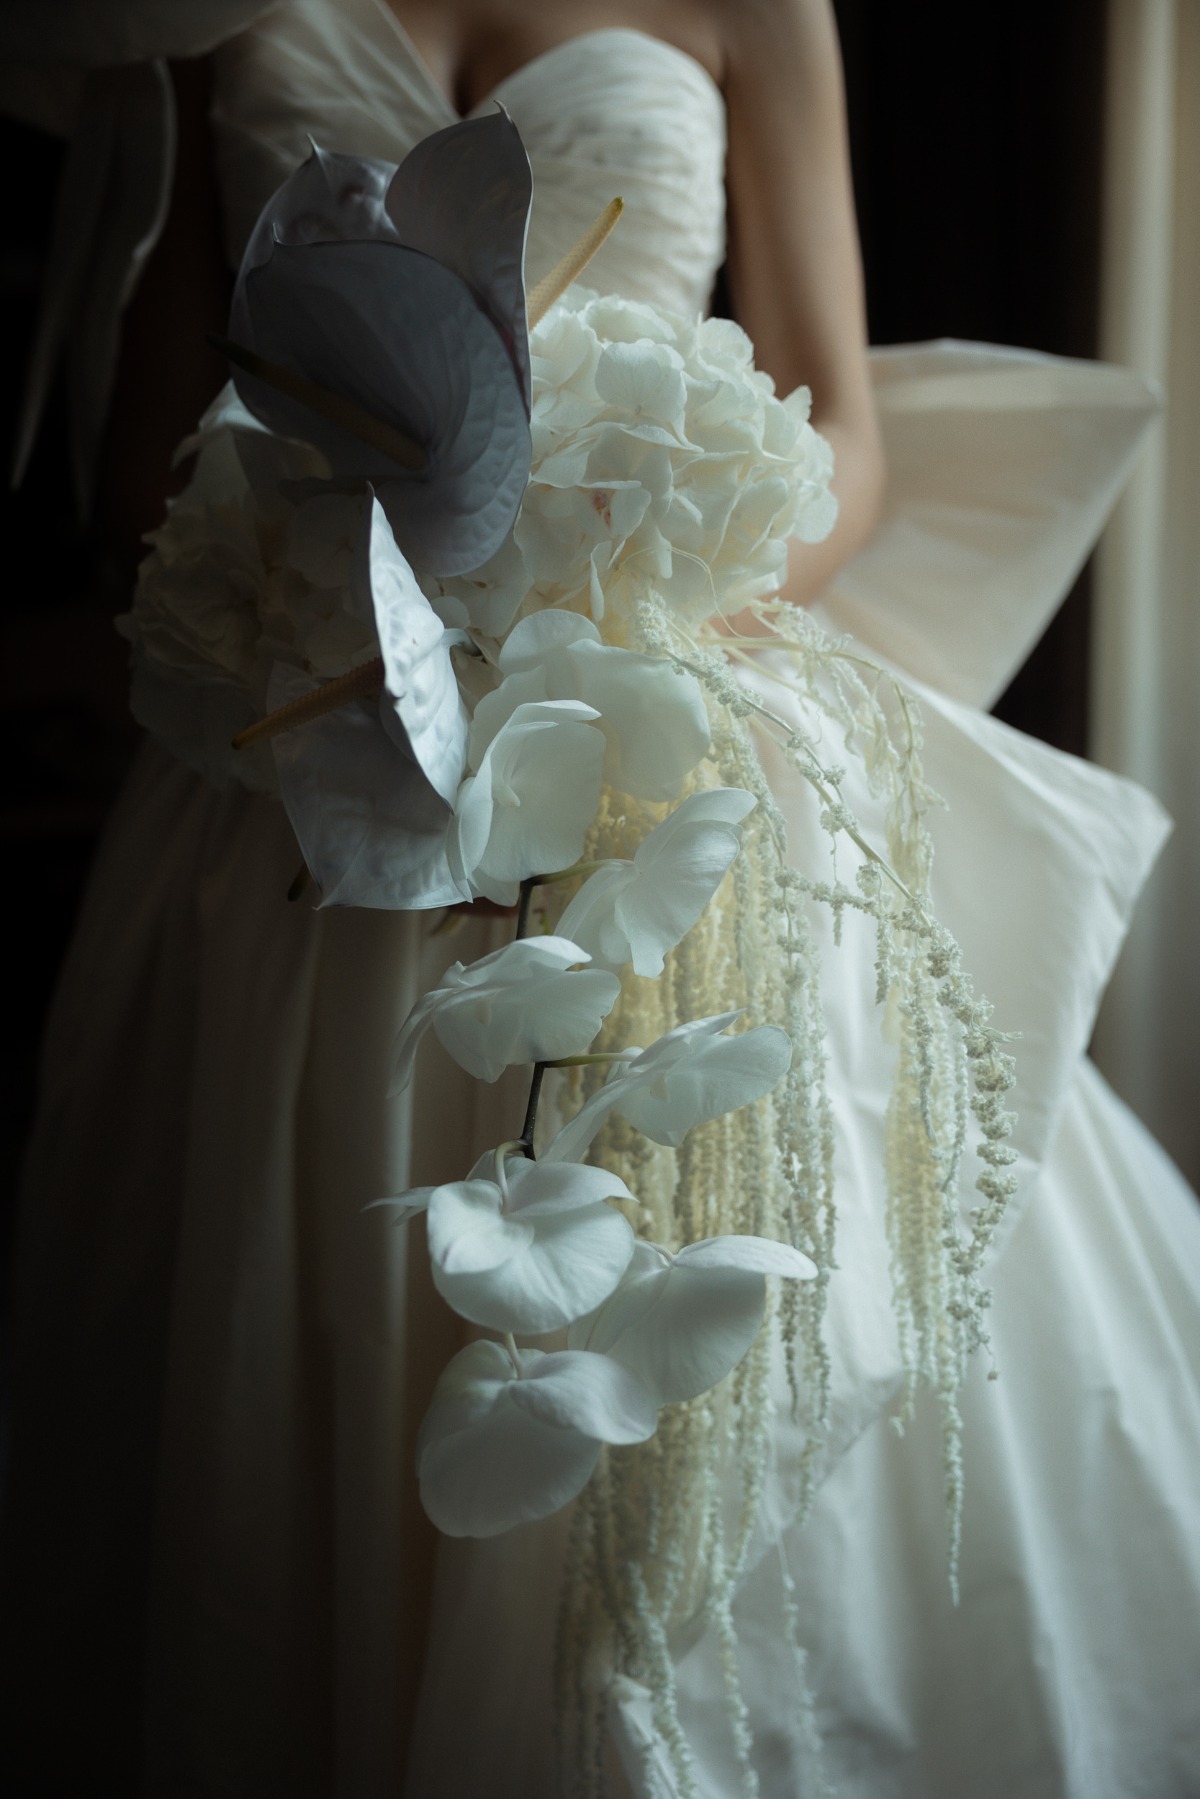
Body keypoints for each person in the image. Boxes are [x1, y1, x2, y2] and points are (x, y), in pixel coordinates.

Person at [1, 2, 1198, 1794]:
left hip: (659, 679)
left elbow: (843, 434)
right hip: (309, 752)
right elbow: (146, 459)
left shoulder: (758, 10)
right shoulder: (209, 15)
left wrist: (621, 574)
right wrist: (320, 563)